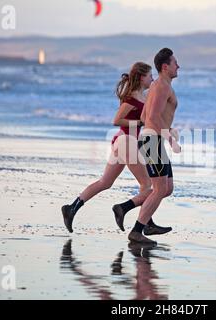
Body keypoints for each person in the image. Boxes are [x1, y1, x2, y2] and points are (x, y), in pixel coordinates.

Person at [61, 62, 172, 235]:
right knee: (147, 183)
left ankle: (71, 208)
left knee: (105, 182)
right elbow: (116, 120)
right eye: (150, 76)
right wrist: (141, 122)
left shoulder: (143, 96)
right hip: (126, 141)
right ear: (142, 78)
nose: (152, 79)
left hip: (124, 142)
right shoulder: (131, 99)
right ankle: (146, 223)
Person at [123, 48, 181, 245]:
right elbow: (153, 117)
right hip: (152, 142)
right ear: (165, 67)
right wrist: (169, 136)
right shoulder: (162, 87)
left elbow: (143, 117)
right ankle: (138, 229)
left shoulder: (159, 86)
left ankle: (124, 208)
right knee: (159, 188)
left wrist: (167, 129)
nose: (178, 66)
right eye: (175, 63)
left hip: (154, 140)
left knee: (167, 188)